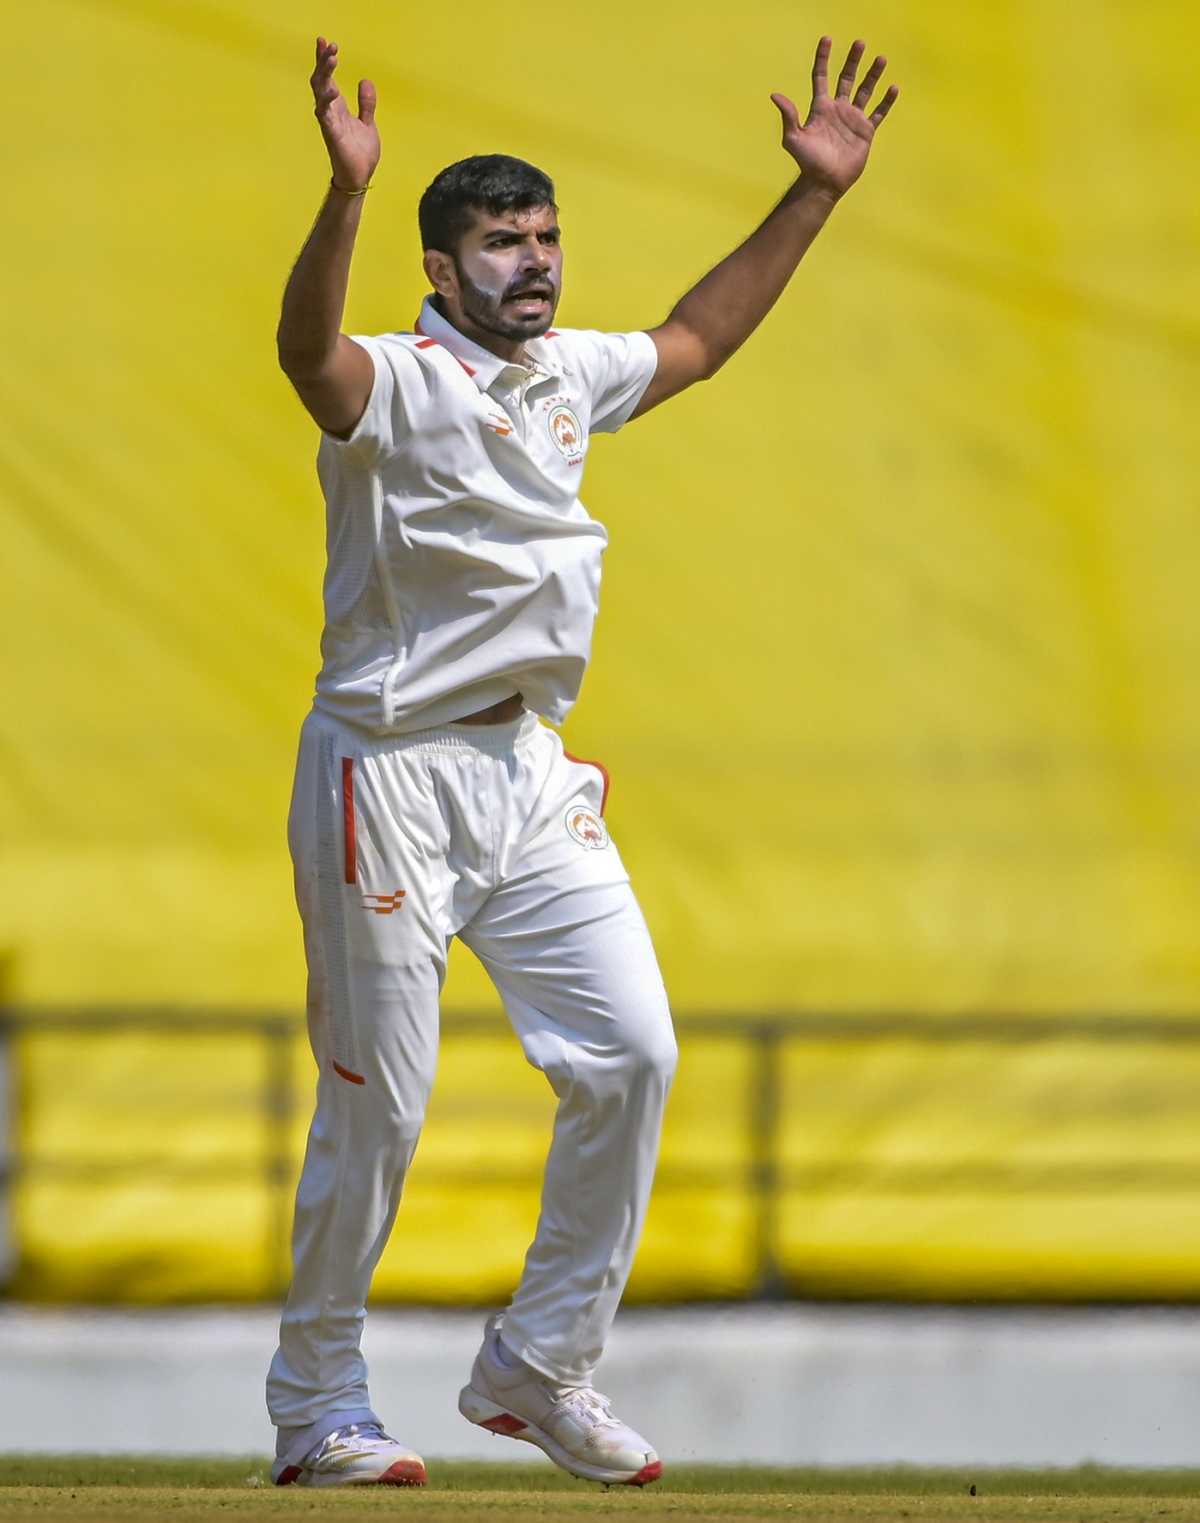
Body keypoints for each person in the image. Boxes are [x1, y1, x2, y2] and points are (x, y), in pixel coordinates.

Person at [266, 31, 898, 1490]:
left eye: (546, 237)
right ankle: (319, 1405)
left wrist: (814, 197)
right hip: (390, 773)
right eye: (501, 243)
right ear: (442, 269)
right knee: (380, 1103)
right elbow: (307, 355)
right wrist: (345, 194)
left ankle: (539, 1368)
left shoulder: (568, 375)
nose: (533, 263)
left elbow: (696, 337)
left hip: (529, 774)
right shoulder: (402, 384)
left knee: (633, 1055)